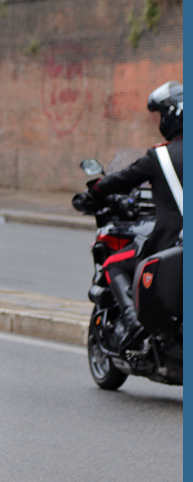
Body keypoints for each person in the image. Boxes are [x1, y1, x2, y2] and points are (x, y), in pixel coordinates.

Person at [73, 81, 184, 348]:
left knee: (115, 263)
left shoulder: (162, 157)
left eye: (161, 114)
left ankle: (135, 324)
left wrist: (92, 195)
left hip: (172, 244)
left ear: (174, 114)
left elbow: (122, 179)